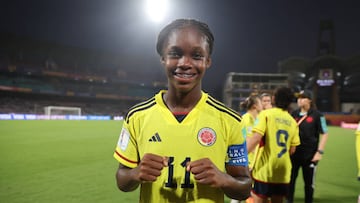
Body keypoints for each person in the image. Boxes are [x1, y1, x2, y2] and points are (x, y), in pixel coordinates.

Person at [113, 18, 252, 203]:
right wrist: (135, 174)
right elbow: (122, 179)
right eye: (175, 53)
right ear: (163, 58)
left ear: (208, 61)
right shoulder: (137, 116)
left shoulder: (230, 120)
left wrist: (224, 179)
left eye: (196, 55)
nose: (185, 63)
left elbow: (244, 187)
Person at [247, 87, 300, 203]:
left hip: (265, 169)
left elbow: (255, 138)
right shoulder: (292, 121)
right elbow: (292, 149)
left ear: (274, 99)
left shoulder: (266, 115)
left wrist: (240, 156)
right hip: (283, 171)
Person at [286, 90, 329, 203]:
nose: (299, 100)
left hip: (310, 156)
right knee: (289, 182)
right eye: (298, 97)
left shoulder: (318, 115)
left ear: (309, 99)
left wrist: (319, 152)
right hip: (293, 155)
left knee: (309, 184)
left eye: (303, 97)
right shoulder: (293, 114)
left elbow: (325, 133)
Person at [230, 95, 263, 203]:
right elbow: (243, 138)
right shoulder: (246, 118)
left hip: (254, 159)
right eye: (260, 103)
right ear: (255, 106)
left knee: (249, 190)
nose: (262, 105)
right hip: (245, 159)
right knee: (240, 189)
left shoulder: (257, 119)